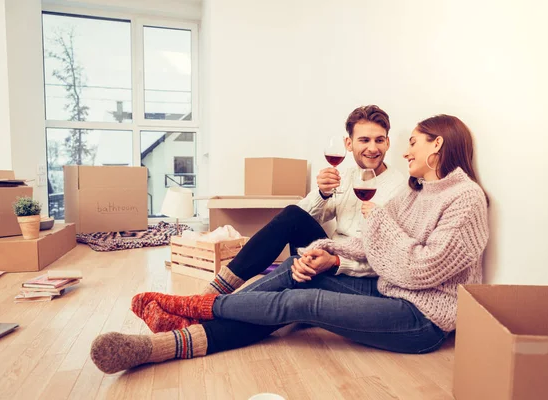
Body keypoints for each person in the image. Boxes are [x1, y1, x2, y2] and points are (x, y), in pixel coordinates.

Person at [90, 114, 489, 374]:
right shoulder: (418, 189)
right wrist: (326, 247)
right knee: (291, 268)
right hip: (388, 287)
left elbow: (420, 269)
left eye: (411, 143)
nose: (402, 150)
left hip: (424, 319)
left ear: (437, 146)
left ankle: (189, 308)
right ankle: (168, 341)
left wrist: (349, 251)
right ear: (348, 144)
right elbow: (366, 239)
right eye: (366, 139)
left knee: (302, 303)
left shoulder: (463, 198)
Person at [202, 104, 404, 295]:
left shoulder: (398, 187)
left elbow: (387, 256)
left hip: (355, 272)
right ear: (348, 144)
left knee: (288, 273)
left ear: (387, 142)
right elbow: (301, 216)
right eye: (364, 140)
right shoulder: (347, 176)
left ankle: (220, 304)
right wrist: (322, 194)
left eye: (379, 140)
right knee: (292, 215)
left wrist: (334, 260)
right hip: (329, 255)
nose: (372, 148)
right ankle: (218, 289)